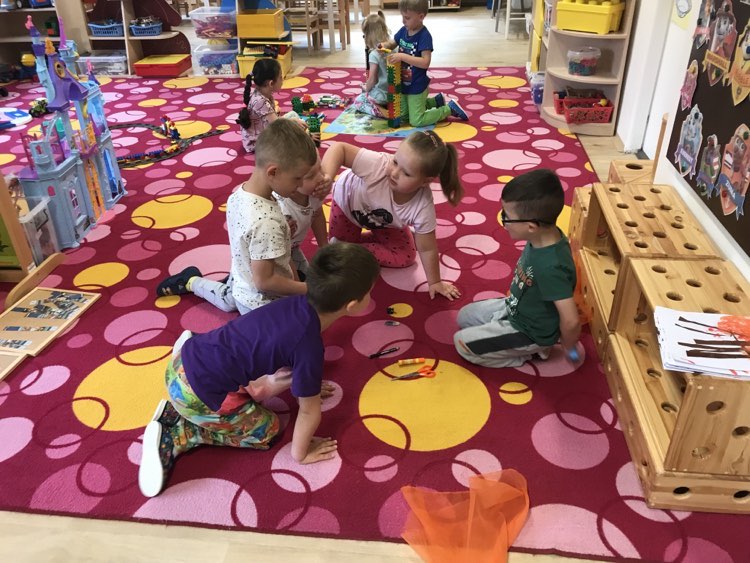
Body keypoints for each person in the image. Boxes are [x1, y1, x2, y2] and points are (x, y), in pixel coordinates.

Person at [139, 243, 380, 498]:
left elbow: (277, 346)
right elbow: (309, 411)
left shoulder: (295, 302)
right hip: (195, 396)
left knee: (261, 370)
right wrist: (301, 453)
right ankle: (180, 431)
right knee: (268, 431)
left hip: (186, 357)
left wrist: (307, 383)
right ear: (352, 305)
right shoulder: (309, 346)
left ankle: (192, 409)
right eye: (369, 292)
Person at [155, 119, 320, 313]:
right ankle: (193, 289)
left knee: (230, 298)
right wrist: (307, 289)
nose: (299, 185)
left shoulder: (240, 194)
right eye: (297, 178)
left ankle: (192, 281)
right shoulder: (266, 222)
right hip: (260, 305)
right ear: (273, 172)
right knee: (304, 321)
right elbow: (265, 282)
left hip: (243, 276)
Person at [453, 169, 580, 368]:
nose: (503, 221)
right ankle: (501, 332)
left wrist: (570, 347)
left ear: (531, 226)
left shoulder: (551, 267)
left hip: (530, 331)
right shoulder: (544, 235)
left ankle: (531, 352)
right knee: (464, 316)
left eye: (507, 217)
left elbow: (571, 320)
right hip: (516, 306)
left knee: (461, 343)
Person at [321, 129, 462, 301]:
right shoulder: (378, 164)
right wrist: (326, 176)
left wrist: (435, 282)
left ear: (425, 181)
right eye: (395, 162)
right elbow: (340, 149)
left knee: (406, 256)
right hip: (348, 206)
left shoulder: (423, 205)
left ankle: (349, 246)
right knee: (336, 257)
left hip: (384, 222)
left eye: (406, 173)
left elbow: (427, 248)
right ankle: (344, 244)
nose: (394, 173)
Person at [387, 0, 468, 127]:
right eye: (402, 16)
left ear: (421, 17)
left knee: (416, 121)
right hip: (402, 83)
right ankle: (435, 101)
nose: (403, 21)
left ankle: (449, 109)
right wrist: (384, 45)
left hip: (416, 85)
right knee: (403, 117)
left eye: (407, 18)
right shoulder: (404, 30)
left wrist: (402, 56)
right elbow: (393, 42)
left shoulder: (424, 36)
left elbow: (425, 62)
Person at [274, 153, 331, 279]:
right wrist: (297, 284)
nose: (321, 177)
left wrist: (324, 246)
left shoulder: (313, 192)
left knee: (312, 279)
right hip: (273, 255)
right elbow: (279, 251)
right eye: (311, 176)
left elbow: (317, 214)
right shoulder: (280, 209)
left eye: (320, 168)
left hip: (292, 248)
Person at [235, 59, 310, 154]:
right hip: (259, 143)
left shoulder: (263, 93)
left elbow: (273, 119)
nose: (283, 80)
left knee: (292, 114)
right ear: (271, 83)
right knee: (293, 130)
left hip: (265, 130)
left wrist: (291, 120)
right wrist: (293, 122)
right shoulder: (260, 101)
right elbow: (277, 124)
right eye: (280, 77)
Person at [352, 12, 391, 118]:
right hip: (396, 93)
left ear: (369, 36)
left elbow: (373, 79)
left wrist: (366, 88)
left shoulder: (374, 54)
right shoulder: (394, 47)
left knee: (358, 101)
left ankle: (381, 111)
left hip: (382, 96)